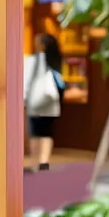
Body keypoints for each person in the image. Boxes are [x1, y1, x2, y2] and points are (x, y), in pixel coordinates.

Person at [24, 33, 66, 171]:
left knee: (35, 132)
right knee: (47, 132)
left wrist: (24, 99)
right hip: (51, 102)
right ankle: (44, 161)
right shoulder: (56, 60)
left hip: (35, 102)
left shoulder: (32, 60)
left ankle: (34, 161)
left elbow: (26, 81)